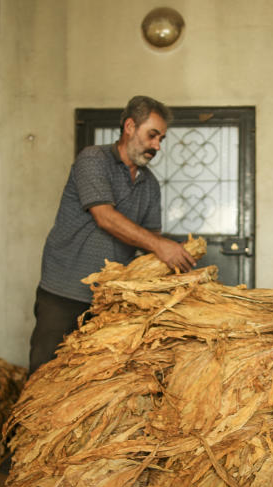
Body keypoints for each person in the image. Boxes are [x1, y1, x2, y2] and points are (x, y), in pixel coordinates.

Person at [29, 95, 196, 374]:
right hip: (64, 291)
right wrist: (160, 245)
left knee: (94, 379)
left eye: (161, 140)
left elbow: (150, 242)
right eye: (152, 135)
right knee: (45, 371)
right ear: (130, 126)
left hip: (108, 299)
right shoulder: (93, 159)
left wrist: (177, 263)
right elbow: (104, 217)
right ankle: (26, 420)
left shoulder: (150, 185)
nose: (157, 146)